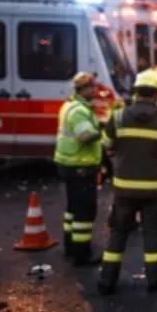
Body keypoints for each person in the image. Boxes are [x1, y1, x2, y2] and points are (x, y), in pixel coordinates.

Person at [98, 69, 157, 295]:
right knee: (151, 233)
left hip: (124, 188)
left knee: (118, 232)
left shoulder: (119, 117)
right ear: (156, 94)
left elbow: (106, 145)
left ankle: (106, 280)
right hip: (152, 189)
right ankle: (155, 278)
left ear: (136, 92)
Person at [53, 72, 102, 266]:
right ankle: (82, 254)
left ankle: (70, 246)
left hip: (68, 165)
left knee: (72, 208)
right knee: (85, 210)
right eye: (92, 87)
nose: (95, 90)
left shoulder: (69, 106)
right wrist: (103, 130)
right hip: (80, 166)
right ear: (83, 90)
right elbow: (85, 136)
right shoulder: (79, 111)